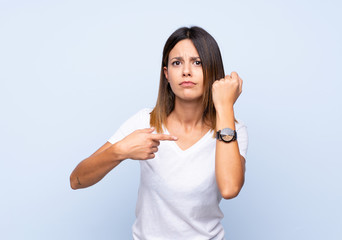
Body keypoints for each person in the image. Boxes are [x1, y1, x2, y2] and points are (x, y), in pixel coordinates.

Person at [70, 26, 248, 240]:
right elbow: (76, 180)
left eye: (197, 62)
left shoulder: (233, 129)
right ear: (166, 74)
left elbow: (229, 188)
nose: (186, 71)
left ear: (213, 71)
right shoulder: (144, 121)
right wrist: (120, 150)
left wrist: (225, 107)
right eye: (177, 63)